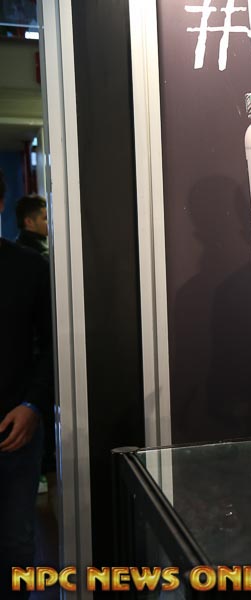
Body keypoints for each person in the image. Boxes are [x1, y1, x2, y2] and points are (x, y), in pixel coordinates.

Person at [0, 171, 53, 596]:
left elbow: (53, 347)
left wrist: (33, 405)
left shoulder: (29, 266)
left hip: (14, 426)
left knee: (16, 543)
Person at [15, 194, 49, 258]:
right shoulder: (40, 253)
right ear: (29, 222)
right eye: (45, 218)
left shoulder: (17, 245)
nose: (50, 222)